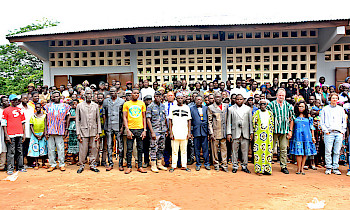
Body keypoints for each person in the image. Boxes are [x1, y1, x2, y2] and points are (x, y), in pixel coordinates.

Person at [267, 88, 295, 174]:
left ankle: (283, 166)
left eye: (282, 95)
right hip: (273, 131)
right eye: (280, 95)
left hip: (284, 130)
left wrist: (290, 130)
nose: (281, 97)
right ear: (276, 95)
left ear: (285, 96)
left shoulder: (288, 106)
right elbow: (267, 118)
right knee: (270, 148)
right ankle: (268, 166)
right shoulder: (271, 105)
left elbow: (292, 119)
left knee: (283, 149)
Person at [320, 93, 347, 175]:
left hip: (338, 133)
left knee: (337, 151)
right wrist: (326, 131)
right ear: (330, 99)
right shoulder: (325, 109)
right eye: (333, 98)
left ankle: (335, 167)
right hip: (329, 133)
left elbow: (344, 121)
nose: (334, 99)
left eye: (336, 98)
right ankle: (328, 167)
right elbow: (322, 121)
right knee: (328, 151)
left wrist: (342, 131)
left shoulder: (341, 109)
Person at [76, 90, 101, 173]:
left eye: (90, 94)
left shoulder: (96, 106)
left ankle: (92, 164)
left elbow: (98, 120)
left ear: (92, 95)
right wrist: (78, 133)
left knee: (93, 148)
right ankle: (81, 165)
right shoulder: (79, 106)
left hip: (93, 130)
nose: (89, 95)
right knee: (83, 149)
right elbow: (77, 120)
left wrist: (98, 132)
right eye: (87, 94)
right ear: (84, 95)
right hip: (83, 131)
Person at [44, 91, 70, 172]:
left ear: (60, 97)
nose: (55, 98)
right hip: (50, 130)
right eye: (54, 96)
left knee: (60, 148)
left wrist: (66, 129)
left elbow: (68, 117)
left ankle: (62, 164)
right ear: (51, 97)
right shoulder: (48, 106)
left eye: (57, 96)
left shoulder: (65, 106)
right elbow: (45, 118)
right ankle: (52, 164)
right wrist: (45, 130)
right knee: (51, 148)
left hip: (60, 130)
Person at [123, 88, 147, 174]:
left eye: (137, 93)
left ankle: (139, 166)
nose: (136, 95)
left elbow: (144, 117)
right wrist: (127, 130)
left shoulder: (142, 103)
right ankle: (129, 166)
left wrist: (144, 130)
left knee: (140, 149)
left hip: (140, 129)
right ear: (131, 94)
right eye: (134, 93)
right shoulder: (126, 104)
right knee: (129, 149)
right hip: (131, 129)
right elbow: (124, 117)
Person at [227, 94, 253, 174]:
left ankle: (244, 166)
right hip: (235, 132)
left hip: (245, 132)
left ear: (243, 100)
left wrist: (251, 132)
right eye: (237, 99)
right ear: (235, 100)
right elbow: (229, 122)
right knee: (234, 151)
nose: (239, 101)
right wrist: (229, 133)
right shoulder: (231, 109)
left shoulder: (248, 109)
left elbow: (250, 122)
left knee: (244, 151)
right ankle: (235, 166)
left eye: (240, 99)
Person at [289, 100, 317, 175]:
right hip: (297, 136)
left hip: (307, 136)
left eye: (303, 106)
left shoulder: (308, 116)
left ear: (305, 107)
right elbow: (291, 126)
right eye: (299, 106)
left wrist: (313, 137)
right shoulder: (294, 116)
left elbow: (312, 127)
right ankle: (298, 168)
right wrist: (290, 132)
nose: (301, 108)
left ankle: (302, 168)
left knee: (305, 152)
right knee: (298, 153)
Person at [2, 94, 26, 174]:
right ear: (10, 101)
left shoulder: (20, 110)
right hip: (11, 134)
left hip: (19, 133)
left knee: (19, 151)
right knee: (11, 152)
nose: (15, 101)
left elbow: (23, 123)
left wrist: (24, 134)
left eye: (16, 100)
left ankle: (20, 167)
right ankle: (10, 168)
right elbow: (4, 124)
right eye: (14, 100)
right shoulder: (6, 110)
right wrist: (6, 135)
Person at [102, 86, 125, 171]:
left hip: (118, 127)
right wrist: (105, 125)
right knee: (109, 145)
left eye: (114, 92)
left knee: (120, 146)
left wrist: (122, 127)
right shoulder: (105, 101)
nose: (112, 93)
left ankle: (120, 164)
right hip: (109, 126)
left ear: (117, 92)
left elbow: (123, 116)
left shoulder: (122, 101)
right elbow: (104, 114)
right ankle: (110, 163)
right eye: (111, 92)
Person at [168, 93, 192, 172]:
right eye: (178, 98)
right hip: (175, 132)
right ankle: (173, 166)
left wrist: (189, 133)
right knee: (174, 150)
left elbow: (189, 121)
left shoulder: (187, 108)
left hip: (184, 132)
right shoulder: (172, 107)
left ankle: (184, 165)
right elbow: (170, 120)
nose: (180, 100)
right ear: (176, 99)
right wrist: (171, 132)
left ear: (184, 99)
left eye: (181, 98)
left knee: (184, 150)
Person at [146, 91, 168, 172]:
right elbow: (148, 120)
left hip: (162, 130)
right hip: (155, 130)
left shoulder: (162, 106)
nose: (158, 98)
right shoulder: (150, 106)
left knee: (161, 148)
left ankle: (159, 163)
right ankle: (153, 165)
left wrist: (166, 129)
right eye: (156, 96)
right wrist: (152, 132)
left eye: (159, 96)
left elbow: (165, 118)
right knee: (153, 148)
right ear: (154, 97)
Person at [208, 92, 229, 172]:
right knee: (215, 150)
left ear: (222, 98)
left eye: (219, 97)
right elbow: (209, 121)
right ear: (214, 98)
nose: (218, 99)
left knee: (224, 149)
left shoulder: (226, 106)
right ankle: (216, 164)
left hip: (224, 131)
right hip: (215, 132)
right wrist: (211, 133)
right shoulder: (211, 107)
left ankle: (224, 165)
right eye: (216, 97)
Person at [252, 99, 274, 175]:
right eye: (261, 104)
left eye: (264, 104)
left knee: (268, 152)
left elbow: (272, 125)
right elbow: (254, 124)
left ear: (266, 105)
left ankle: (267, 169)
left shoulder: (270, 113)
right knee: (258, 152)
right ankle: (259, 170)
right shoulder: (256, 113)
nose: (262, 106)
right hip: (259, 136)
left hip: (268, 136)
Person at [190, 95, 210, 171]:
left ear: (202, 101)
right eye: (197, 99)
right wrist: (191, 132)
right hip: (196, 131)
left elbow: (208, 120)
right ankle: (198, 164)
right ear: (195, 101)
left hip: (204, 131)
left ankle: (207, 163)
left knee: (205, 149)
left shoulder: (206, 108)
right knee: (197, 149)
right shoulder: (191, 109)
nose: (199, 101)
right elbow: (190, 121)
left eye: (200, 99)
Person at [28, 103, 48, 170]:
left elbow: (45, 125)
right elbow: (31, 126)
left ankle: (43, 163)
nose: (37, 109)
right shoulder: (33, 116)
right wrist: (35, 134)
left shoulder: (44, 116)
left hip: (42, 134)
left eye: (39, 107)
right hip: (35, 134)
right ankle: (36, 163)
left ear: (41, 107)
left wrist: (43, 134)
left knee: (43, 148)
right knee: (35, 149)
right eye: (36, 107)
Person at [18, 93, 35, 168]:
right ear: (21, 99)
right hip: (21, 131)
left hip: (30, 131)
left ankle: (30, 163)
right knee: (21, 148)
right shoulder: (18, 108)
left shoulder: (31, 108)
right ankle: (21, 164)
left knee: (29, 147)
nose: (25, 100)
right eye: (24, 98)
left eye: (26, 98)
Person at [66, 100, 79, 165]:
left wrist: (73, 118)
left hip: (78, 129)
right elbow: (69, 117)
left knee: (79, 144)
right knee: (72, 144)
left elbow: (80, 118)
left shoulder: (80, 110)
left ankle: (79, 159)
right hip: (71, 128)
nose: (74, 105)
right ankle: (73, 159)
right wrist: (75, 118)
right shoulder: (70, 110)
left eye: (75, 104)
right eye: (73, 104)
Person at [0, 96, 9, 171]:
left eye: (7, 100)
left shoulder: (8, 110)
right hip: (0, 130)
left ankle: (2, 165)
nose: (7, 102)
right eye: (5, 101)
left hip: (7, 131)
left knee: (4, 147)